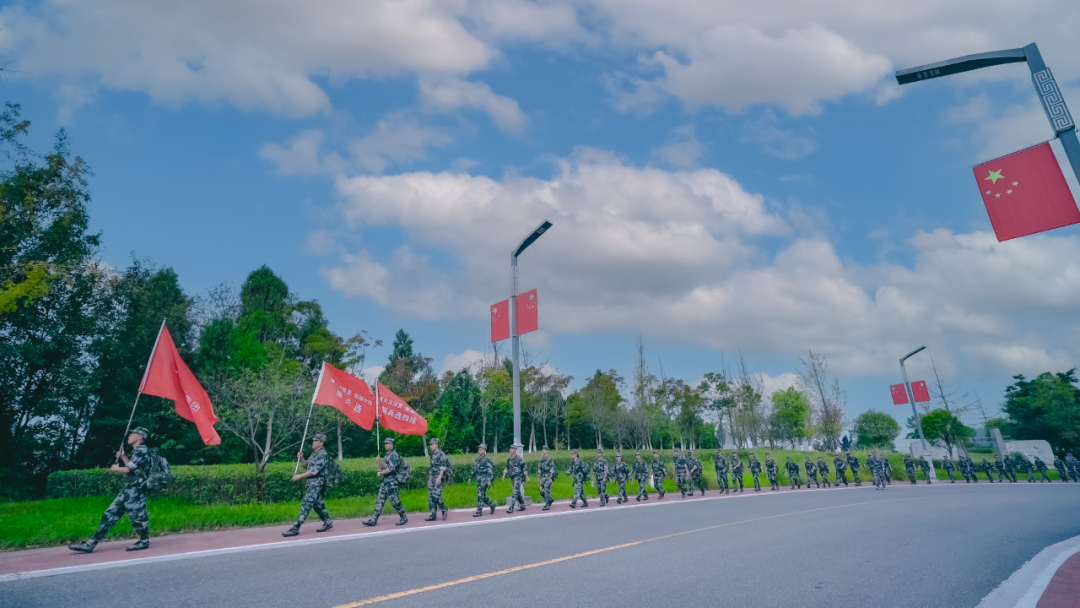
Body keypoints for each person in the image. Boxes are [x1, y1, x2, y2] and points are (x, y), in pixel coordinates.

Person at [69, 427, 154, 553]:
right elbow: (133, 467)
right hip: (129, 489)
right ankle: (90, 544)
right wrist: (123, 457)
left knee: (138, 518)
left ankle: (144, 541)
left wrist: (116, 468)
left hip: (136, 490)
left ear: (140, 437)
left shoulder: (141, 450)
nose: (129, 436)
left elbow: (128, 469)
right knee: (109, 515)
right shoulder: (137, 451)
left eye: (133, 434)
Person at [283, 433, 334, 537]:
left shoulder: (323, 455)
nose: (313, 442)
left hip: (317, 483)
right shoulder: (314, 454)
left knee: (307, 505)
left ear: (321, 443)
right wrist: (301, 458)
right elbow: (306, 466)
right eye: (313, 440)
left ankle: (295, 528)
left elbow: (314, 471)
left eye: (316, 441)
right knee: (317, 504)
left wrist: (300, 476)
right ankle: (327, 521)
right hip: (311, 483)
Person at [364, 437, 408, 527]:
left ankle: (403, 517)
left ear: (391, 444)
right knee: (379, 501)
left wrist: (381, 473)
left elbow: (391, 469)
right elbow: (383, 467)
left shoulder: (394, 455)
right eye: (385, 443)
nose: (385, 445)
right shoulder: (387, 455)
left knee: (395, 502)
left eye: (387, 443)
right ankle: (374, 519)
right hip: (385, 482)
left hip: (392, 483)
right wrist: (379, 461)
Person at [468, 443, 497, 517]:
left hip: (485, 480)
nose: (479, 450)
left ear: (484, 450)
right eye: (479, 449)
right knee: (482, 495)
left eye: (480, 449)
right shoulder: (478, 459)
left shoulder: (486, 459)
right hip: (479, 480)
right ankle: (492, 505)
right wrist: (471, 477)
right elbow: (475, 469)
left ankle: (479, 511)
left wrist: (489, 480)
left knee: (480, 495)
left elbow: (490, 470)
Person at [426, 437, 450, 521]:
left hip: (439, 477)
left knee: (436, 496)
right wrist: (430, 479)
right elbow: (431, 467)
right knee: (430, 497)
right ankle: (433, 515)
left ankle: (443, 509)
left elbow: (443, 467)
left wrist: (439, 478)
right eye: (430, 445)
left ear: (436, 445)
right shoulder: (432, 455)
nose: (431, 446)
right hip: (433, 477)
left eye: (432, 445)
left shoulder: (441, 454)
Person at [502, 445, 528, 512]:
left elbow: (524, 467)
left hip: (518, 477)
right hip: (512, 477)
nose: (511, 450)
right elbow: (507, 467)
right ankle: (523, 505)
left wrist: (526, 476)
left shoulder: (519, 458)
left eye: (512, 449)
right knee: (518, 492)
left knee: (514, 492)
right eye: (510, 448)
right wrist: (504, 475)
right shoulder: (509, 459)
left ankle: (511, 507)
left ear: (515, 450)